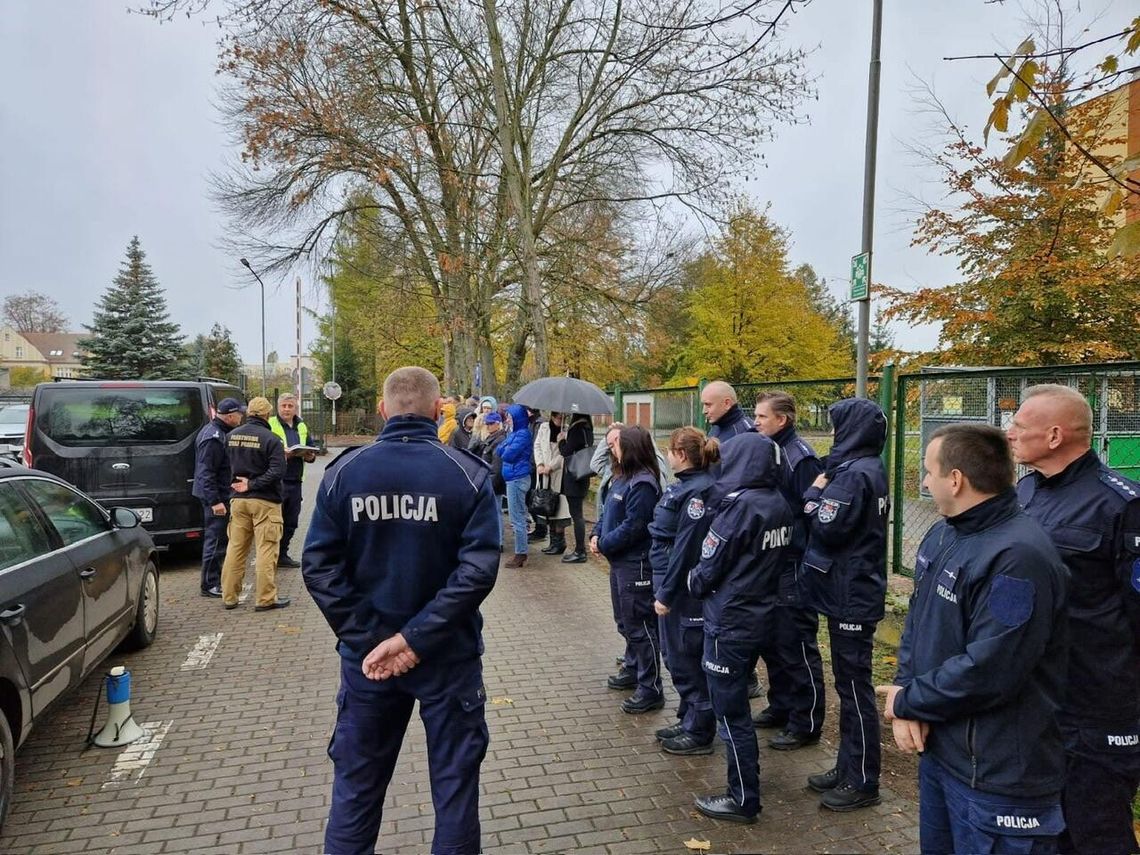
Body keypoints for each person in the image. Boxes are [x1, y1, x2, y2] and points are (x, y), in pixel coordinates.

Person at [302, 366, 500, 855]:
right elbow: (476, 571)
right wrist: (414, 640)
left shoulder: (344, 473)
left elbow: (318, 566)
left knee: (357, 789)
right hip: (447, 656)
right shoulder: (467, 476)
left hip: (367, 661)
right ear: (438, 411)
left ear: (382, 409)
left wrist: (375, 639)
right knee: (455, 791)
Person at [879, 423, 1069, 854]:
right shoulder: (946, 531)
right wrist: (908, 693)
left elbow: (992, 668)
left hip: (997, 776)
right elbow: (919, 622)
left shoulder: (1017, 556)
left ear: (956, 479)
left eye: (928, 471)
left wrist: (909, 701)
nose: (923, 481)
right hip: (943, 751)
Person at [1007, 384, 1140, 854]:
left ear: (1056, 434)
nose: (1010, 434)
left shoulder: (1121, 506)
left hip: (1098, 706)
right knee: (1048, 827)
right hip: (1040, 698)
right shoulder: (1024, 491)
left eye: (1020, 426)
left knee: (1097, 829)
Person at [687, 432, 793, 824]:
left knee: (731, 714)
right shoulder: (778, 502)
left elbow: (709, 565)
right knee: (738, 708)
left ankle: (743, 797)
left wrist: (692, 583)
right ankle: (744, 790)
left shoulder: (740, 508)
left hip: (729, 620)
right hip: (761, 613)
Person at [800, 397, 890, 811]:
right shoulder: (865, 468)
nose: (835, 435)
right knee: (847, 686)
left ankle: (864, 781)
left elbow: (826, 526)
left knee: (855, 691)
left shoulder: (855, 475)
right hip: (849, 589)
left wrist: (813, 496)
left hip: (852, 594)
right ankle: (846, 766)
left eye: (839, 428)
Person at [751, 392, 826, 750]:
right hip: (772, 562)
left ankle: (806, 720)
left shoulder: (801, 458)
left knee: (796, 643)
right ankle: (780, 705)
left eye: (762, 416)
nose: (756, 422)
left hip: (794, 564)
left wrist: (800, 556)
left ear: (783, 420)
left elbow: (809, 513)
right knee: (773, 641)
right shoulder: (769, 451)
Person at [650, 427, 720, 756]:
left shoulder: (698, 492)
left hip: (680, 588)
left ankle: (700, 729)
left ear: (680, 454)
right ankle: (689, 715)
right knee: (673, 653)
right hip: (670, 579)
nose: (666, 455)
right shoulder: (686, 486)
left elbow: (685, 549)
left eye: (669, 450)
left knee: (684, 656)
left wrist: (666, 592)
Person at [592, 422, 671, 688]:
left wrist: (604, 544)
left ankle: (650, 687)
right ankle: (633, 668)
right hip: (620, 563)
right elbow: (606, 512)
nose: (613, 450)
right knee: (625, 621)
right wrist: (597, 534)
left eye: (617, 445)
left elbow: (634, 527)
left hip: (636, 564)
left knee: (641, 627)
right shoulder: (621, 476)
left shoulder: (644, 484)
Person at [702, 380, 764, 700]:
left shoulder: (742, 433)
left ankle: (746, 676)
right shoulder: (718, 429)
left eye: (708, 405)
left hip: (735, 527)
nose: (704, 410)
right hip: (719, 520)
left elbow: (739, 481)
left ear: (727, 403)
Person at [221, 396, 290, 611]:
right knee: (266, 549)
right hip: (265, 502)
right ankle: (265, 598)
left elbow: (226, 466)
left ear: (249, 413)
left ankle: (229, 597)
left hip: (238, 501)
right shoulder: (272, 439)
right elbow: (278, 471)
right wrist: (253, 484)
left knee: (235, 548)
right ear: (267, 414)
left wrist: (242, 485)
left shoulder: (230, 436)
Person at [191, 397, 245, 598]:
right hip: (215, 498)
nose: (241, 417)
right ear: (230, 416)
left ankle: (216, 579)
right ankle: (209, 584)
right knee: (215, 541)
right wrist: (215, 502)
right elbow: (206, 472)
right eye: (239, 413)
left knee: (220, 540)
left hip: (221, 494)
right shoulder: (213, 437)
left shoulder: (221, 432)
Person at [268, 393, 316, 568]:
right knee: (275, 521)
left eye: (290, 406)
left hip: (296, 481)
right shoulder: (270, 424)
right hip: (276, 481)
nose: (287, 409)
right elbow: (264, 451)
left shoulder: (301, 425)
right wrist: (282, 454)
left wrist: (310, 456)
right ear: (278, 407)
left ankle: (283, 554)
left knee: (292, 521)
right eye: (284, 406)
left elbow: (310, 448)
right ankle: (270, 556)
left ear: (295, 408)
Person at [495, 404, 533, 568]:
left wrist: (504, 448)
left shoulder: (523, 434)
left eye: (510, 416)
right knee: (517, 516)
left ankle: (521, 553)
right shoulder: (515, 433)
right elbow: (499, 449)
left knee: (516, 518)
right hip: (513, 477)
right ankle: (520, 551)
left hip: (517, 478)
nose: (507, 419)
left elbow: (508, 455)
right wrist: (504, 448)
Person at [557, 412, 595, 564]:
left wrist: (561, 441)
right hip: (583, 475)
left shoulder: (577, 428)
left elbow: (566, 451)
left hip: (574, 476)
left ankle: (580, 551)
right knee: (578, 513)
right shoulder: (588, 428)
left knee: (577, 515)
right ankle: (580, 550)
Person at [533, 411, 570, 555]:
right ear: (553, 417)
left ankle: (559, 542)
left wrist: (551, 466)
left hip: (558, 474)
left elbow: (564, 453)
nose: (561, 420)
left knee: (559, 508)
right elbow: (537, 446)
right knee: (546, 505)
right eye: (559, 417)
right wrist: (540, 464)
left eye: (563, 418)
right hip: (543, 473)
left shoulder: (566, 431)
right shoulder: (543, 428)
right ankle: (552, 540)